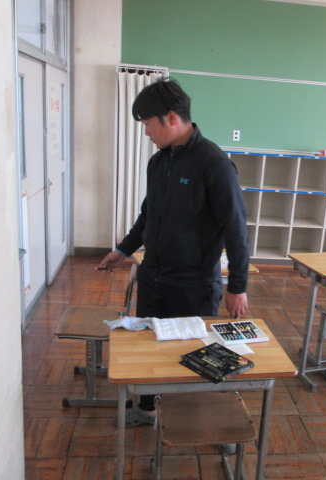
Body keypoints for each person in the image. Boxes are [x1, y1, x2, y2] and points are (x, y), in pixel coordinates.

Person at [98, 78, 250, 427]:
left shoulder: (214, 163)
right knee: (150, 345)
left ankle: (200, 419)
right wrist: (123, 249)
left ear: (170, 118)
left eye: (148, 123)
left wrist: (237, 285)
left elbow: (236, 228)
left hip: (193, 284)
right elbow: (148, 215)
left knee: (194, 354)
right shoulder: (158, 162)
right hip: (153, 277)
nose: (146, 132)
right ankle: (148, 409)